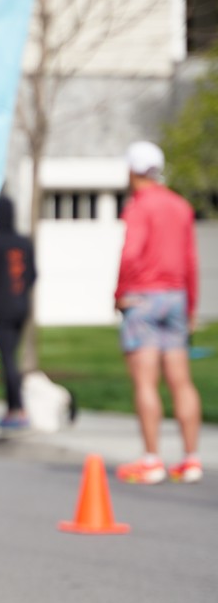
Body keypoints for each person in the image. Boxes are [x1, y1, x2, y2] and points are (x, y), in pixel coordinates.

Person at [114, 140, 202, 483]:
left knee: (146, 380)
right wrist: (191, 305)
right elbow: (190, 261)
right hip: (176, 297)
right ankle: (191, 460)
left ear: (131, 170)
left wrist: (119, 293)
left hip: (143, 298)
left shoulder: (139, 206)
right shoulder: (180, 206)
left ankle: (152, 460)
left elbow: (130, 253)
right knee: (181, 380)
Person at [0, 195, 37, 430]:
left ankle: (17, 410)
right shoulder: (25, 242)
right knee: (11, 358)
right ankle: (12, 409)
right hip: (21, 307)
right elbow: (33, 275)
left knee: (8, 360)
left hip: (3, 309)